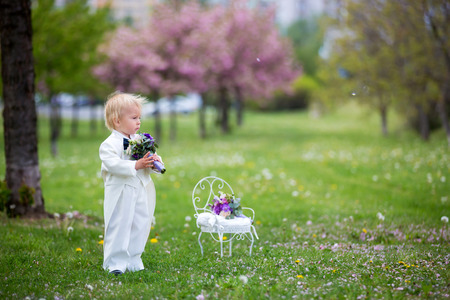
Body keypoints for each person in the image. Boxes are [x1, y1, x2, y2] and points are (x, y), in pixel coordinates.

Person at [99, 92, 162, 275]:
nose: (139, 122)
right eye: (134, 118)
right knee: (120, 224)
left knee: (140, 223)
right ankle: (115, 263)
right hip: (121, 192)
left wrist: (155, 162)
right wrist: (135, 164)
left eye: (139, 117)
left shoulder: (140, 140)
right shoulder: (109, 145)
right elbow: (112, 164)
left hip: (140, 189)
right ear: (117, 121)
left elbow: (146, 162)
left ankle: (134, 258)